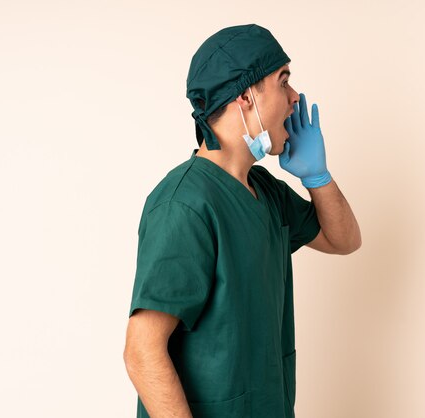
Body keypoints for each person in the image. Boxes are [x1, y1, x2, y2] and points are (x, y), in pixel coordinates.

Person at [123, 23, 361, 418]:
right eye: (283, 81)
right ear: (245, 96)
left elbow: (343, 240)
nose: (294, 97)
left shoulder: (264, 190)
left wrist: (317, 177)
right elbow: (142, 351)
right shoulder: (184, 205)